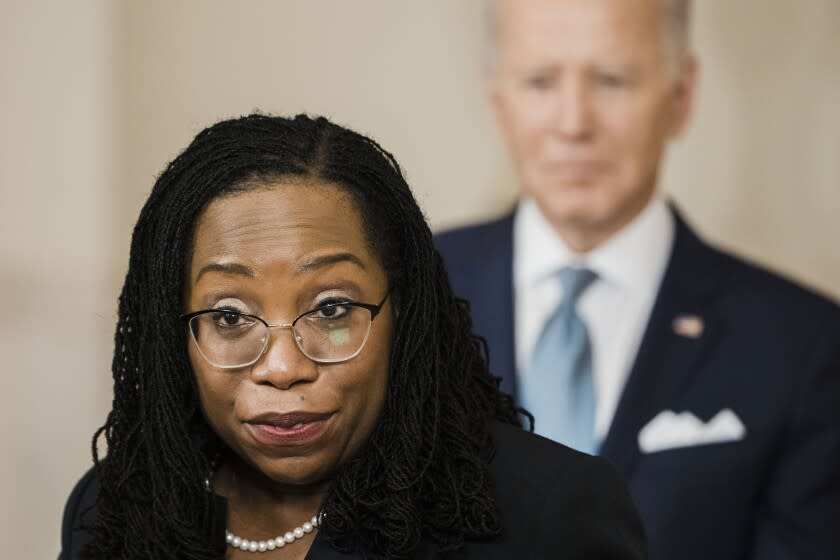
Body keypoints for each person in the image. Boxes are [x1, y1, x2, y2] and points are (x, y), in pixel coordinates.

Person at [59, 114, 646, 559]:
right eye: (231, 317)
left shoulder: (548, 511)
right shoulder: (114, 507)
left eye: (331, 308)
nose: (283, 367)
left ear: (405, 316)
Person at [435, 0, 840, 559]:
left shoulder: (803, 343)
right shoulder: (404, 293)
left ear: (682, 96)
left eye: (612, 79)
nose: (574, 123)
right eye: (540, 81)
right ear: (497, 102)